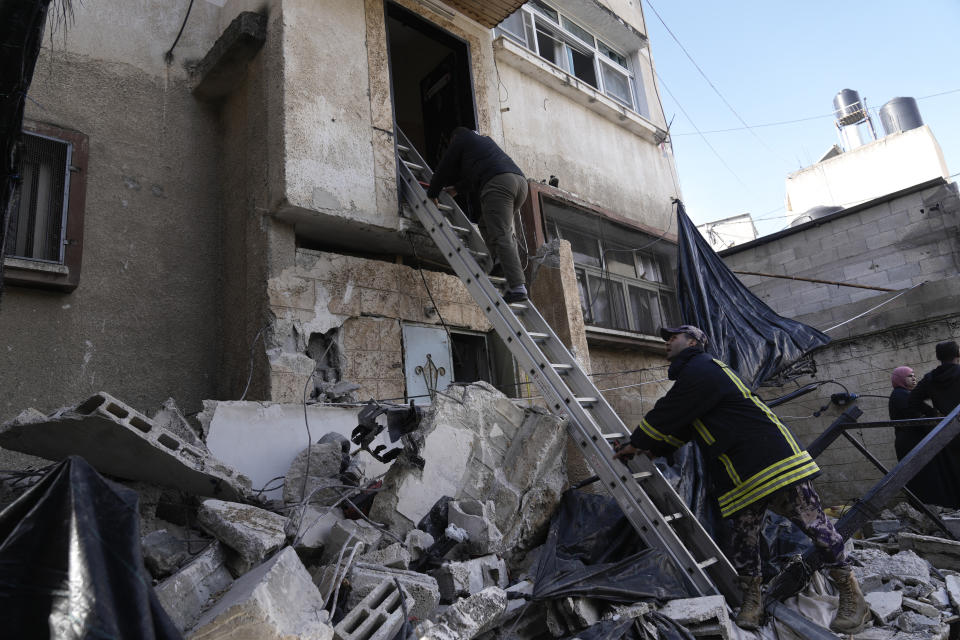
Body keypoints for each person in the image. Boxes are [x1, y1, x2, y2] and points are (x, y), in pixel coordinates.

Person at [614, 325, 869, 634]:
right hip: (737, 472)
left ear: (693, 341)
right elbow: (685, 427)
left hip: (772, 460)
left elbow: (670, 411)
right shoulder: (695, 378)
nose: (667, 342)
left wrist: (638, 441)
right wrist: (652, 449)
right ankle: (752, 599)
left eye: (673, 337)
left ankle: (850, 593)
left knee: (815, 526)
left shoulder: (704, 368)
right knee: (744, 542)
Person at [426, 127, 529, 303]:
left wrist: (432, 193)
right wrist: (457, 189)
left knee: (501, 233)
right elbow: (476, 175)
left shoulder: (461, 138)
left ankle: (518, 287)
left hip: (499, 184)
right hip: (519, 184)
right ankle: (498, 263)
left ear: (454, 138)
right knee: (485, 222)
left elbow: (445, 165)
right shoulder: (483, 144)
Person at [903, 340, 960, 509]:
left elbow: (912, 400)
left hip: (947, 431)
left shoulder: (931, 378)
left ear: (938, 357)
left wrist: (934, 413)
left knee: (954, 470)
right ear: (957, 354)